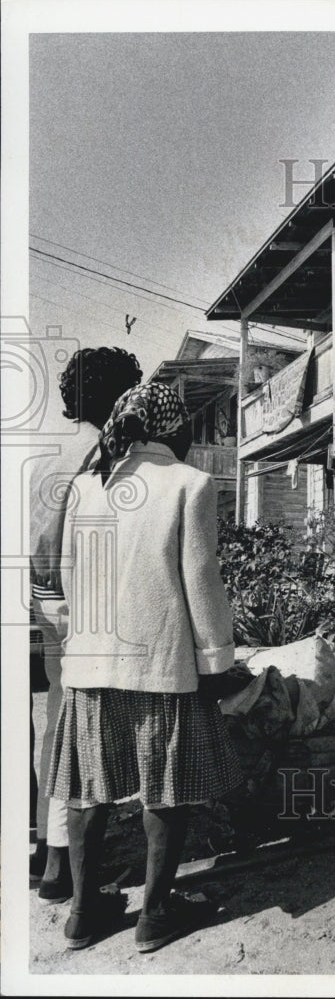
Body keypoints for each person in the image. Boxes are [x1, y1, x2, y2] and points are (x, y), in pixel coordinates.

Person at [46, 382, 243, 952]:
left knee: (87, 791)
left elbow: (67, 576)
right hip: (158, 667)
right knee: (164, 790)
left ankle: (83, 913)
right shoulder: (190, 483)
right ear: (173, 428)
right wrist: (216, 660)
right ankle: (154, 916)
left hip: (89, 666)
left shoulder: (86, 488)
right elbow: (201, 583)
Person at [29, 346, 143, 901]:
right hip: (71, 596)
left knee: (50, 720)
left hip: (33, 590)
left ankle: (43, 852)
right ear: (114, 396)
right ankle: (60, 865)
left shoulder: (48, 444)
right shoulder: (104, 451)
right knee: (77, 726)